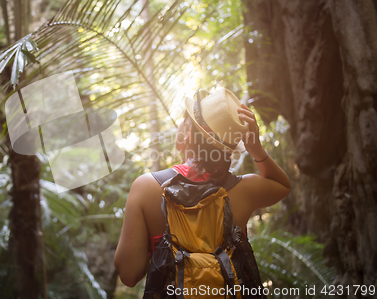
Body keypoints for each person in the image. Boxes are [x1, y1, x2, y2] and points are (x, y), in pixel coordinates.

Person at [114, 87, 291, 288]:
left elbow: (129, 274)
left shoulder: (147, 187)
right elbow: (282, 185)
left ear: (188, 133)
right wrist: (255, 148)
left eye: (184, 118)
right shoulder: (244, 190)